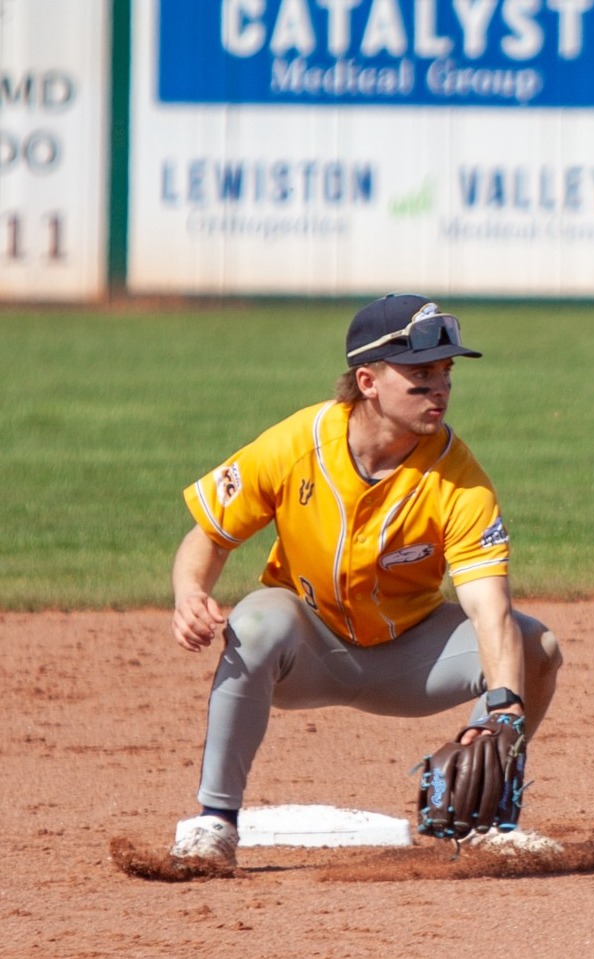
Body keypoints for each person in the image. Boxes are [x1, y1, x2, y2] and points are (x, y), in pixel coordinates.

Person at [167, 295, 564, 866]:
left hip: (410, 660)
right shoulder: (295, 444)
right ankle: (214, 825)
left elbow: (489, 610)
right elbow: (207, 535)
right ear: (368, 381)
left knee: (537, 647)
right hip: (307, 652)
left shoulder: (461, 480)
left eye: (445, 373)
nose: (440, 389)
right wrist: (189, 593)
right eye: (420, 374)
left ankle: (482, 821)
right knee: (256, 617)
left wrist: (502, 711)